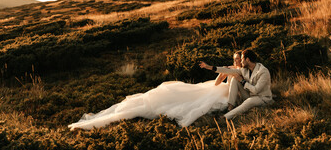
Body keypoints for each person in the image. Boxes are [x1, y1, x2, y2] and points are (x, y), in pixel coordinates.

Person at [68, 52, 242, 130]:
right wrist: (222, 72)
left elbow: (236, 77)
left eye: (238, 59)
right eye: (235, 59)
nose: (236, 61)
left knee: (194, 102)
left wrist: (221, 71)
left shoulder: (242, 71)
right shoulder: (231, 68)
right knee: (180, 94)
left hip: (228, 93)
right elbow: (217, 83)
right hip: (218, 89)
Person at [199, 49, 273, 120]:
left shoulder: (263, 71)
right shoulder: (245, 69)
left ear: (247, 59)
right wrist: (209, 67)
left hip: (262, 98)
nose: (241, 61)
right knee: (235, 79)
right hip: (249, 94)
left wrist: (242, 81)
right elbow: (227, 71)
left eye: (242, 59)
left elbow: (256, 90)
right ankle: (229, 108)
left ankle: (225, 117)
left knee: (249, 101)